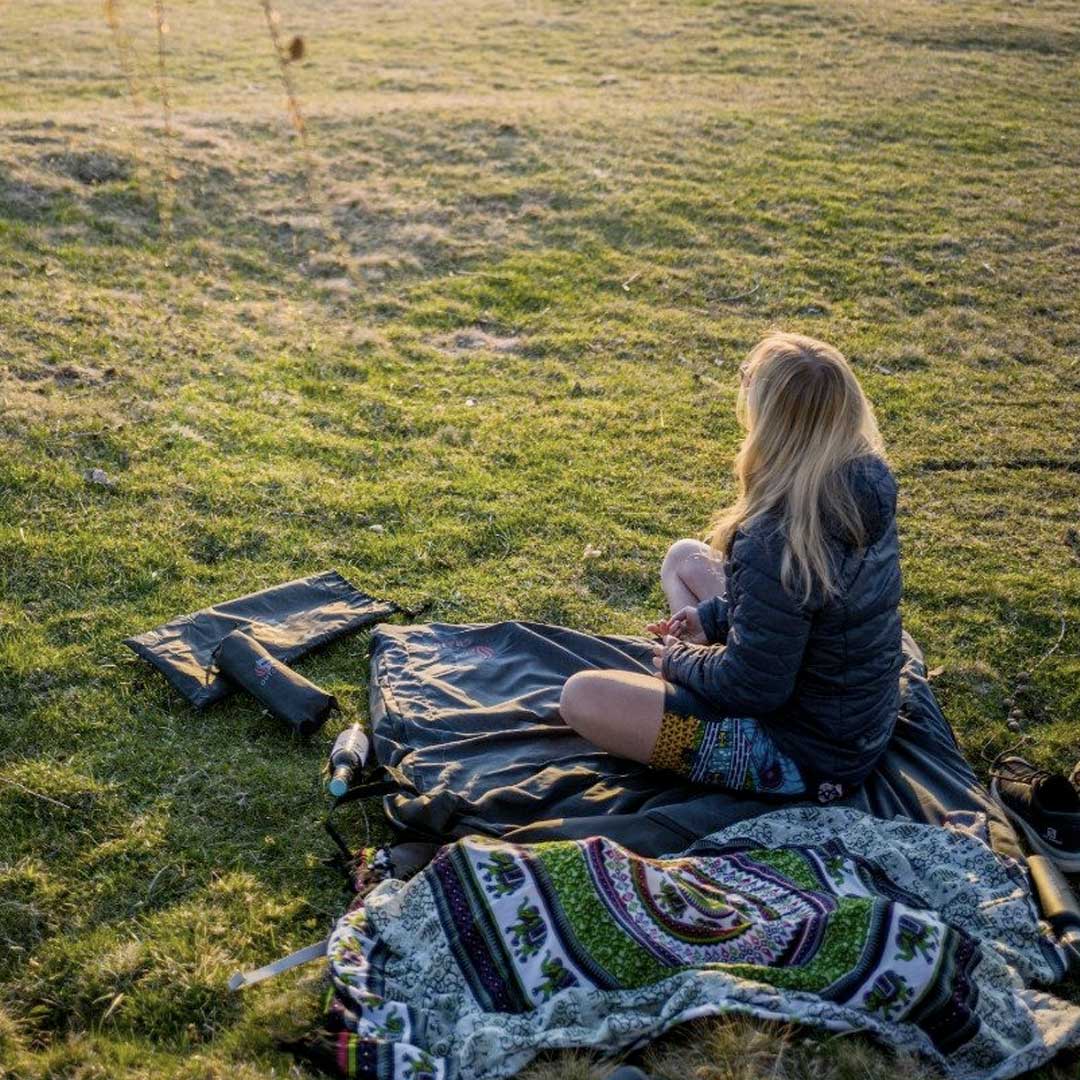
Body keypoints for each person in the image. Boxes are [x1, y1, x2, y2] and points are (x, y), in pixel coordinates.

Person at [559, 332, 902, 803]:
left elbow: (755, 688)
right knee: (684, 559)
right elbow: (801, 605)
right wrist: (713, 620)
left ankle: (695, 713)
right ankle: (695, 678)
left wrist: (679, 660)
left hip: (802, 758)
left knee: (582, 697)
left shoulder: (775, 537)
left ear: (771, 420)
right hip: (856, 718)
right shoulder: (865, 482)